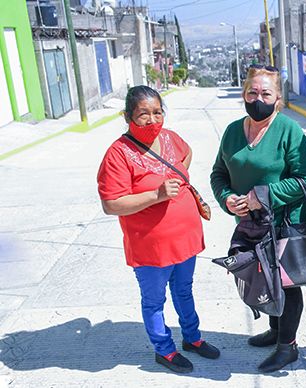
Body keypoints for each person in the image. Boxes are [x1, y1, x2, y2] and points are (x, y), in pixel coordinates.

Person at [97, 85, 220, 374]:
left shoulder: (171, 139)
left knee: (184, 290)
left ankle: (192, 338)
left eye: (157, 113)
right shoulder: (118, 154)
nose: (152, 120)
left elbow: (185, 157)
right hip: (150, 246)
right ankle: (164, 350)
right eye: (143, 115)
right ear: (128, 116)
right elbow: (111, 204)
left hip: (185, 239)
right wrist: (156, 195)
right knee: (154, 301)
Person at [210, 65, 306, 373]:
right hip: (249, 225)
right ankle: (274, 330)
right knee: (260, 278)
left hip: (285, 223)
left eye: (266, 93)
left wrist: (264, 195)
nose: (259, 98)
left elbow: (305, 179)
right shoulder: (232, 132)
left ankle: (288, 347)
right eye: (252, 92)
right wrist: (227, 198)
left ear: (278, 99)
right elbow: (219, 174)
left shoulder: (289, 131)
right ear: (244, 94)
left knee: (286, 284)